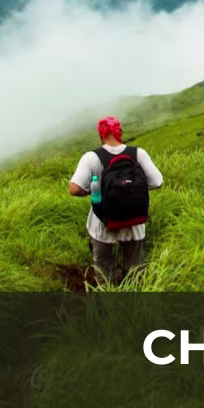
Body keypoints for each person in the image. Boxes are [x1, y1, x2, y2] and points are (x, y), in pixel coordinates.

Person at [68, 116, 164, 285]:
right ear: (120, 132)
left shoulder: (91, 157)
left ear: (101, 134)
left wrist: (97, 190)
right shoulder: (138, 153)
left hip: (103, 224)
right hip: (134, 224)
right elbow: (158, 182)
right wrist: (133, 188)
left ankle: (109, 305)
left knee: (104, 268)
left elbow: (74, 189)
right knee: (134, 270)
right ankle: (132, 303)